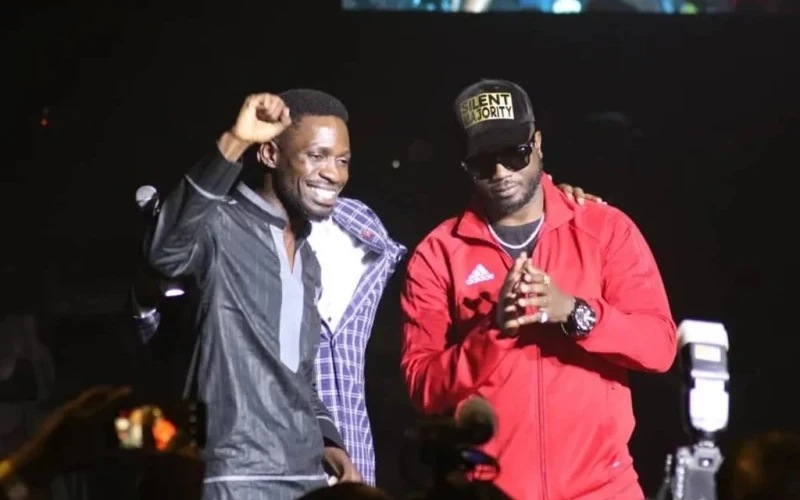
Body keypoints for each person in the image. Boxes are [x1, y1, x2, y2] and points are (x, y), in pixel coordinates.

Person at [399, 79, 677, 500]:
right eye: (482, 162)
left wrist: (576, 312)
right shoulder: (438, 254)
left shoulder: (605, 229)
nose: (501, 173)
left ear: (538, 144)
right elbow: (423, 387)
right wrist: (493, 331)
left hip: (604, 489)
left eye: (515, 153)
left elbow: (659, 347)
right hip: (490, 492)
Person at [146, 90, 360, 500]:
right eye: (317, 156)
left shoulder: (309, 261)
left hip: (305, 478)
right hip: (233, 475)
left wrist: (330, 446)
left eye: (343, 160)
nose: (334, 174)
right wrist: (235, 141)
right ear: (269, 154)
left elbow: (300, 376)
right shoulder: (219, 225)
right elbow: (164, 253)